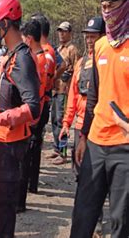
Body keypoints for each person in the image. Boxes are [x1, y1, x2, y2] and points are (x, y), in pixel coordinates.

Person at [0, 0, 40, 237]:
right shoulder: (7, 54)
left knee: (2, 209)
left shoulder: (22, 58)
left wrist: (0, 119)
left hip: (10, 146)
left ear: (5, 23)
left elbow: (33, 107)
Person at [71, 0, 129, 238]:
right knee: (83, 214)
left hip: (125, 148)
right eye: (103, 5)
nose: (107, 11)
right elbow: (93, 94)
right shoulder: (102, 46)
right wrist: (83, 136)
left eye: (112, 4)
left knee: (120, 221)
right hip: (96, 142)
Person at [60, 17, 105, 177]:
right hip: (80, 125)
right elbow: (73, 95)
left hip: (100, 126)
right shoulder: (80, 63)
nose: (89, 40)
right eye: (87, 36)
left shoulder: (107, 63)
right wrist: (66, 123)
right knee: (80, 171)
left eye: (93, 36)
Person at [17, 19, 48, 212]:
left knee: (24, 157)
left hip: (32, 115)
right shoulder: (41, 58)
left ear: (28, 39)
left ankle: (20, 202)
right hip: (36, 112)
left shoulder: (37, 60)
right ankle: (28, 190)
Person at [27, 12, 56, 193]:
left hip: (40, 103)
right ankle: (32, 182)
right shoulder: (47, 52)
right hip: (42, 101)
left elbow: (44, 82)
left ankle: (32, 183)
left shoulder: (45, 54)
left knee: (34, 144)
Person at [50, 21, 80, 165]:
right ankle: (56, 148)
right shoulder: (57, 49)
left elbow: (77, 69)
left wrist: (70, 74)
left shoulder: (72, 49)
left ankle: (63, 152)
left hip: (65, 90)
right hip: (55, 89)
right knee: (54, 120)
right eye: (59, 31)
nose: (61, 33)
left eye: (64, 31)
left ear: (69, 33)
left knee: (62, 121)